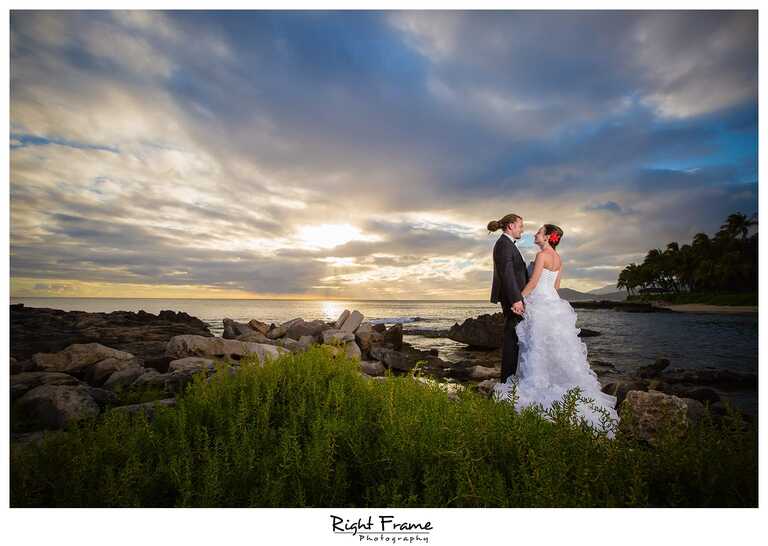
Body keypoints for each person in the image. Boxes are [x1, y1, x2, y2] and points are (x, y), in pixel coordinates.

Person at [491, 223, 620, 436]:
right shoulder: (559, 260)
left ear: (548, 237)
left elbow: (532, 283)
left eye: (540, 232)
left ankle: (538, 387)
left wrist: (519, 299)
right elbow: (556, 287)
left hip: (539, 304)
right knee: (557, 349)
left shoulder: (542, 256)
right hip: (553, 304)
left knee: (537, 348)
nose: (535, 234)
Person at [488, 213, 529, 382]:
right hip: (513, 300)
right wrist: (516, 299)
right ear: (511, 226)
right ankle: (507, 381)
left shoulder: (507, 244)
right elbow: (507, 274)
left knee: (514, 338)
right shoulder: (504, 245)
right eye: (520, 225)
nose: (522, 229)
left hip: (515, 298)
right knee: (512, 339)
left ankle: (510, 379)